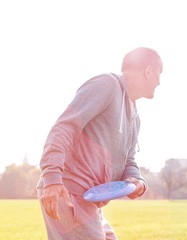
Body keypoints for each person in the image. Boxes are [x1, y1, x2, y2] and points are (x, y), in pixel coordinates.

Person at [36, 47, 163, 239]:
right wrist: (52, 179)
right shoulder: (107, 85)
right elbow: (64, 128)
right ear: (148, 71)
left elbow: (129, 160)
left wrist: (138, 182)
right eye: (159, 74)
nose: (159, 82)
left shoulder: (134, 116)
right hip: (68, 192)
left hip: (89, 199)